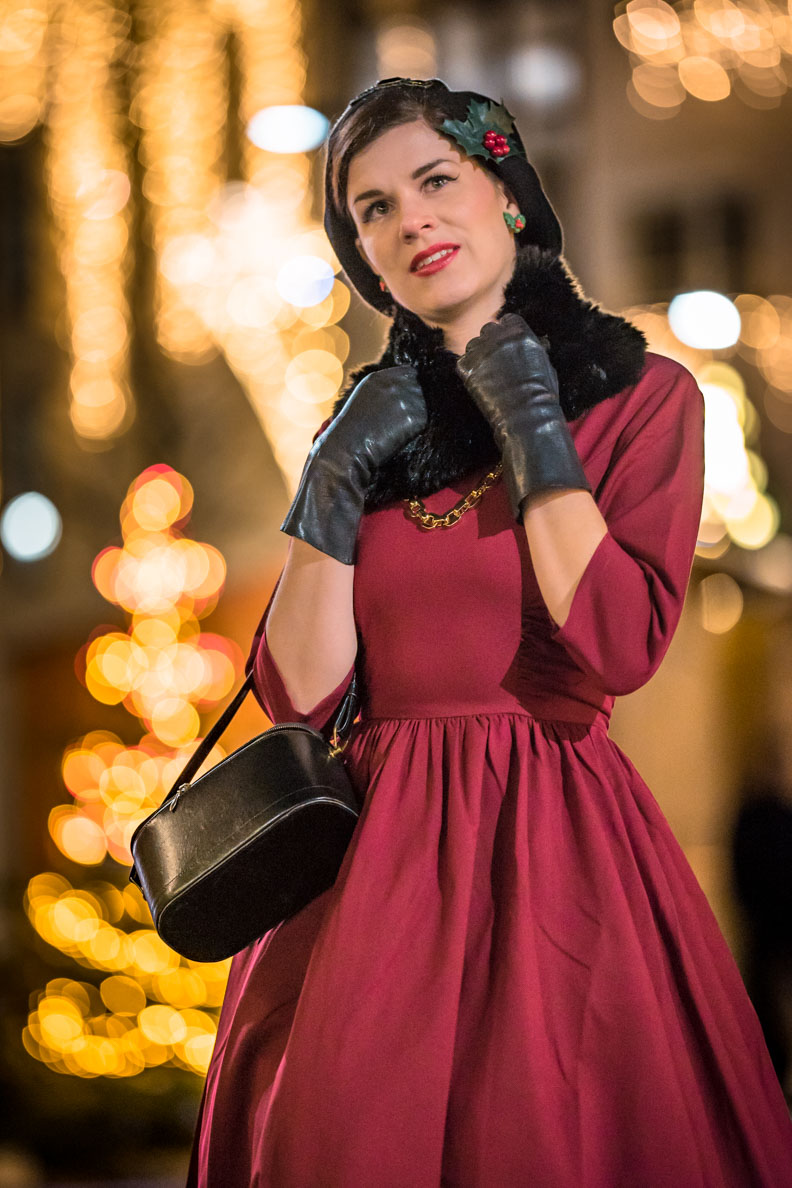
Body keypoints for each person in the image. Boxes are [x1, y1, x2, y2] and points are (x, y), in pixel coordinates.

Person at [185, 77, 792, 1186]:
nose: (408, 219)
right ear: (362, 257)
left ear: (506, 193)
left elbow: (618, 645)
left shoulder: (646, 398)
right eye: (370, 208)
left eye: (434, 181)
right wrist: (331, 478)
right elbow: (301, 698)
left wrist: (531, 419)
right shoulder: (364, 423)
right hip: (369, 867)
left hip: (551, 845)